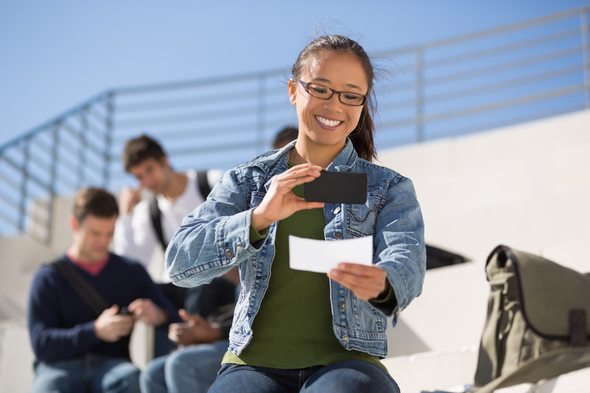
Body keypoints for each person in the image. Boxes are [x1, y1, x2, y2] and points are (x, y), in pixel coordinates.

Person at [165, 34, 426, 393]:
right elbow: (180, 262)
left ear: (362, 105)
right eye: (320, 89)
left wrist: (384, 281)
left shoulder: (387, 188)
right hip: (251, 364)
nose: (334, 105)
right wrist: (257, 218)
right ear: (293, 90)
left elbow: (407, 261)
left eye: (351, 95)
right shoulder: (248, 181)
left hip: (346, 364)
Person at [27, 187, 179, 393]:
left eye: (109, 233)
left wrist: (158, 315)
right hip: (57, 369)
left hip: (113, 367)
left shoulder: (131, 271)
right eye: (95, 233)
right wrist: (96, 331)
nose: (103, 241)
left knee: (133, 379)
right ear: (74, 224)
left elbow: (174, 321)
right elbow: (41, 343)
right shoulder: (48, 277)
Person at [114, 134, 224, 356]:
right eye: (139, 177)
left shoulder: (211, 183)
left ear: (164, 160)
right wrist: (125, 214)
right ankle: (171, 360)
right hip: (181, 293)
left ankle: (188, 350)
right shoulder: (149, 211)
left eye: (150, 170)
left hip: (222, 281)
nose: (147, 181)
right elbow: (131, 261)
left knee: (199, 276)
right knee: (149, 296)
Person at [139, 276, 237, 393]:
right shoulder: (196, 278)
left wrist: (215, 331)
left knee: (181, 363)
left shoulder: (231, 274)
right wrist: (165, 315)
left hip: (241, 341)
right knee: (153, 373)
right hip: (212, 337)